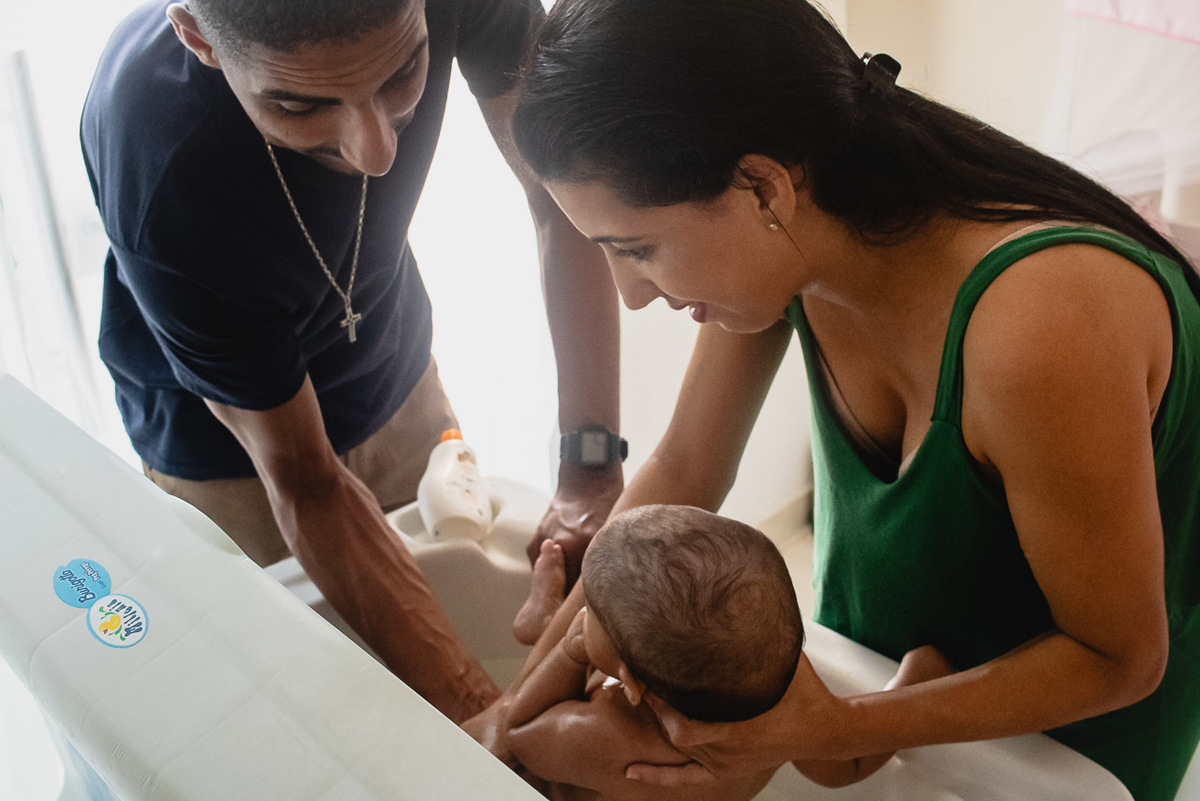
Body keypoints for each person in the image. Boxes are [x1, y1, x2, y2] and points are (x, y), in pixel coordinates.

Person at [469, 0, 1200, 797]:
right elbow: (683, 468)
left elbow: (1118, 657)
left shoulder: (1042, 328)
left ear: (763, 187)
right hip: (874, 673)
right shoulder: (789, 256)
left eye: (636, 248)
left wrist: (834, 729)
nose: (632, 294)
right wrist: (510, 712)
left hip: (1065, 746)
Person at [80, 0, 623, 724]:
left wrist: (590, 465)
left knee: (460, 591)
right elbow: (305, 483)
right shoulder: (159, 160)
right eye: (300, 105)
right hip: (232, 454)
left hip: (392, 370)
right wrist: (484, 725)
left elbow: (563, 198)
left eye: (402, 75)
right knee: (305, 715)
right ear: (199, 38)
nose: (376, 153)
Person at [505, 505, 954, 800]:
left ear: (634, 683)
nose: (584, 609)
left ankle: (545, 628)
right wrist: (909, 686)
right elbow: (845, 763)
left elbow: (520, 734)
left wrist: (569, 651)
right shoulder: (774, 719)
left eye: (591, 607)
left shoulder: (606, 732)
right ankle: (920, 672)